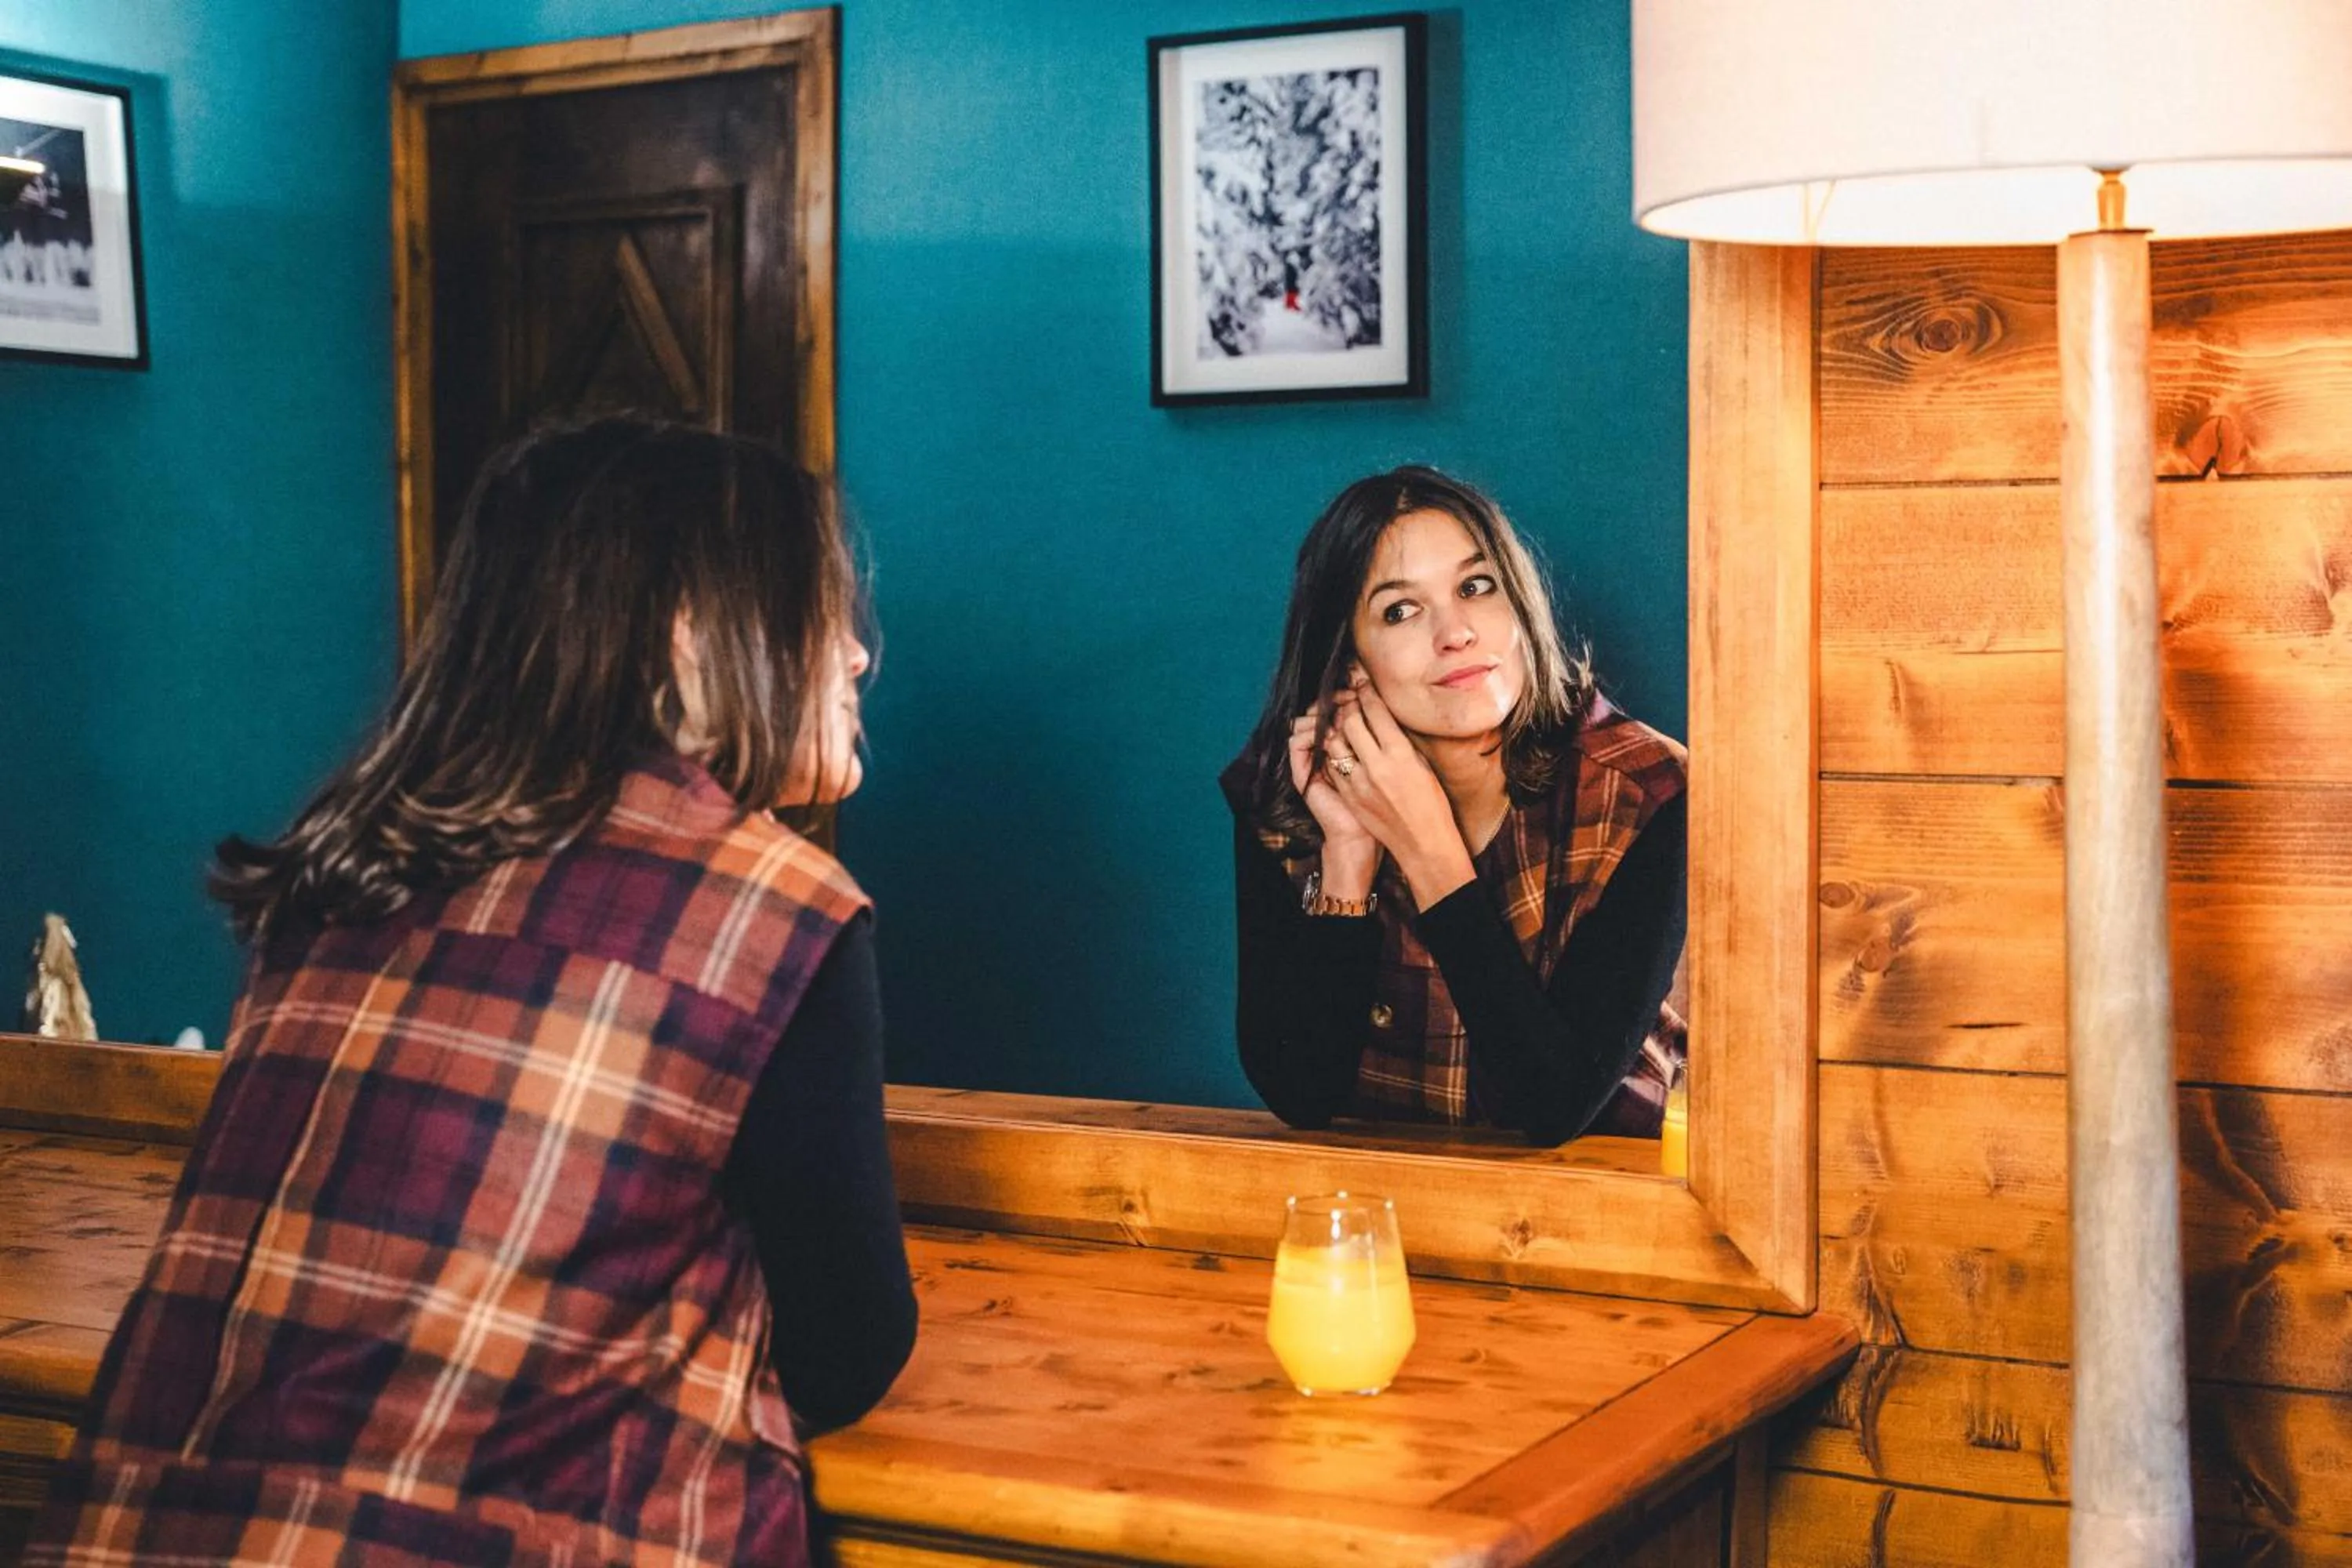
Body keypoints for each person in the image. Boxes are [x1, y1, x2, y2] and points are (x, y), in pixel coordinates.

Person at [28, 418, 916, 1567]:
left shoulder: (344, 864)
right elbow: (848, 1352)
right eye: (823, 609)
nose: (857, 655)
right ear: (691, 636)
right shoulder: (777, 906)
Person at [1222, 465, 1687, 1148]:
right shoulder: (1285, 792)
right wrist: (1348, 857)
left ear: (1520, 606)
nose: (1457, 632)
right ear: (1348, 660)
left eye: (1476, 587)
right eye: (1400, 610)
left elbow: (1554, 1104)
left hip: (1607, 1215)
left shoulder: (1645, 792)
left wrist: (1427, 847)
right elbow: (1300, 1091)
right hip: (1379, 1217)